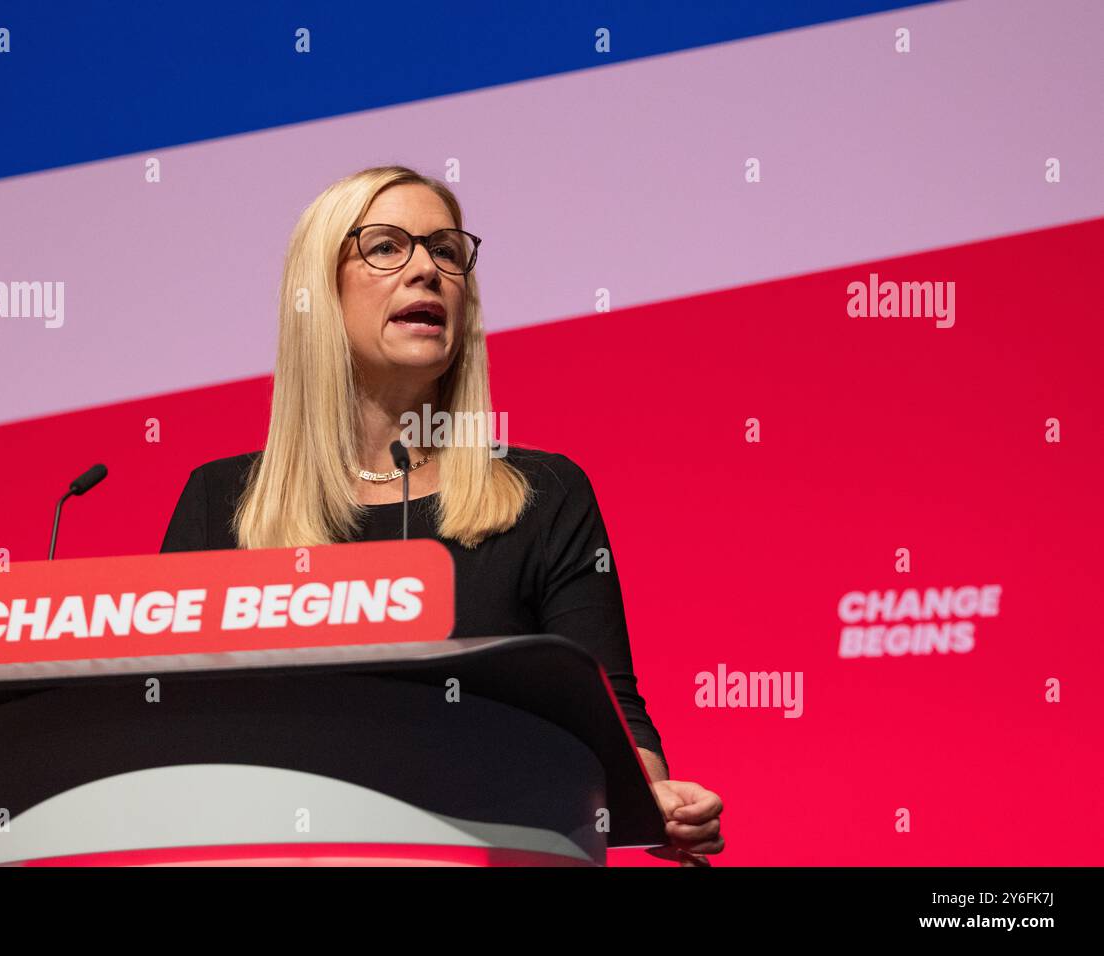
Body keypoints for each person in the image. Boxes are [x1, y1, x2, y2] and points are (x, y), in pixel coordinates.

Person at [160, 165, 724, 864]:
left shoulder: (543, 494)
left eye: (447, 251)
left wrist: (655, 797)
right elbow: (169, 734)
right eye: (387, 246)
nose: (427, 269)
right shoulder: (223, 505)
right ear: (317, 291)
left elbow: (613, 714)